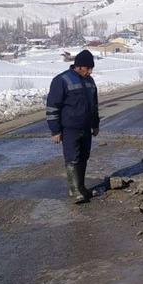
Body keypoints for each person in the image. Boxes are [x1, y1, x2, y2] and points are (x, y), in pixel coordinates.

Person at [46, 49, 100, 203]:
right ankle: (74, 190)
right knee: (72, 157)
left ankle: (81, 187)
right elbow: (52, 107)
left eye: (91, 68)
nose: (90, 71)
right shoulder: (62, 80)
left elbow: (94, 106)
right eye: (88, 68)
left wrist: (95, 124)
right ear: (79, 66)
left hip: (85, 128)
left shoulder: (90, 81)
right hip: (70, 128)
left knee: (84, 156)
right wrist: (55, 130)